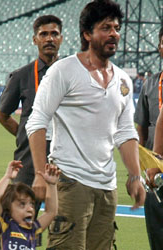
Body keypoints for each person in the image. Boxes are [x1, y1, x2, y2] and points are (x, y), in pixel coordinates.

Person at [25, 1, 146, 249]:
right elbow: (37, 121)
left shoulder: (123, 80)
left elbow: (125, 132)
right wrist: (40, 175)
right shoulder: (64, 71)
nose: (114, 34)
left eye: (116, 27)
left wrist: (135, 175)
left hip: (107, 188)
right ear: (87, 34)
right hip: (70, 182)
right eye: (105, 28)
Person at [0, 15, 63, 215]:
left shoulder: (70, 74)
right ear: (35, 40)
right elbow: (2, 115)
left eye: (54, 34)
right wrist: (25, 135)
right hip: (29, 162)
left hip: (65, 158)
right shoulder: (22, 76)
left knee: (65, 222)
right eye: (43, 34)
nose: (49, 39)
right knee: (18, 219)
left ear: (61, 38)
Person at [134, 26, 163, 250]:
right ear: (159, 48)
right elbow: (141, 128)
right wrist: (139, 169)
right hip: (155, 172)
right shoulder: (150, 84)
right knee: (156, 232)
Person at [0, 160, 60, 249]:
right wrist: (7, 177)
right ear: (8, 208)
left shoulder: (33, 230)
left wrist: (51, 185)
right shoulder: (5, 226)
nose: (30, 209)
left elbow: (51, 212)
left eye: (31, 204)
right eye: (22, 204)